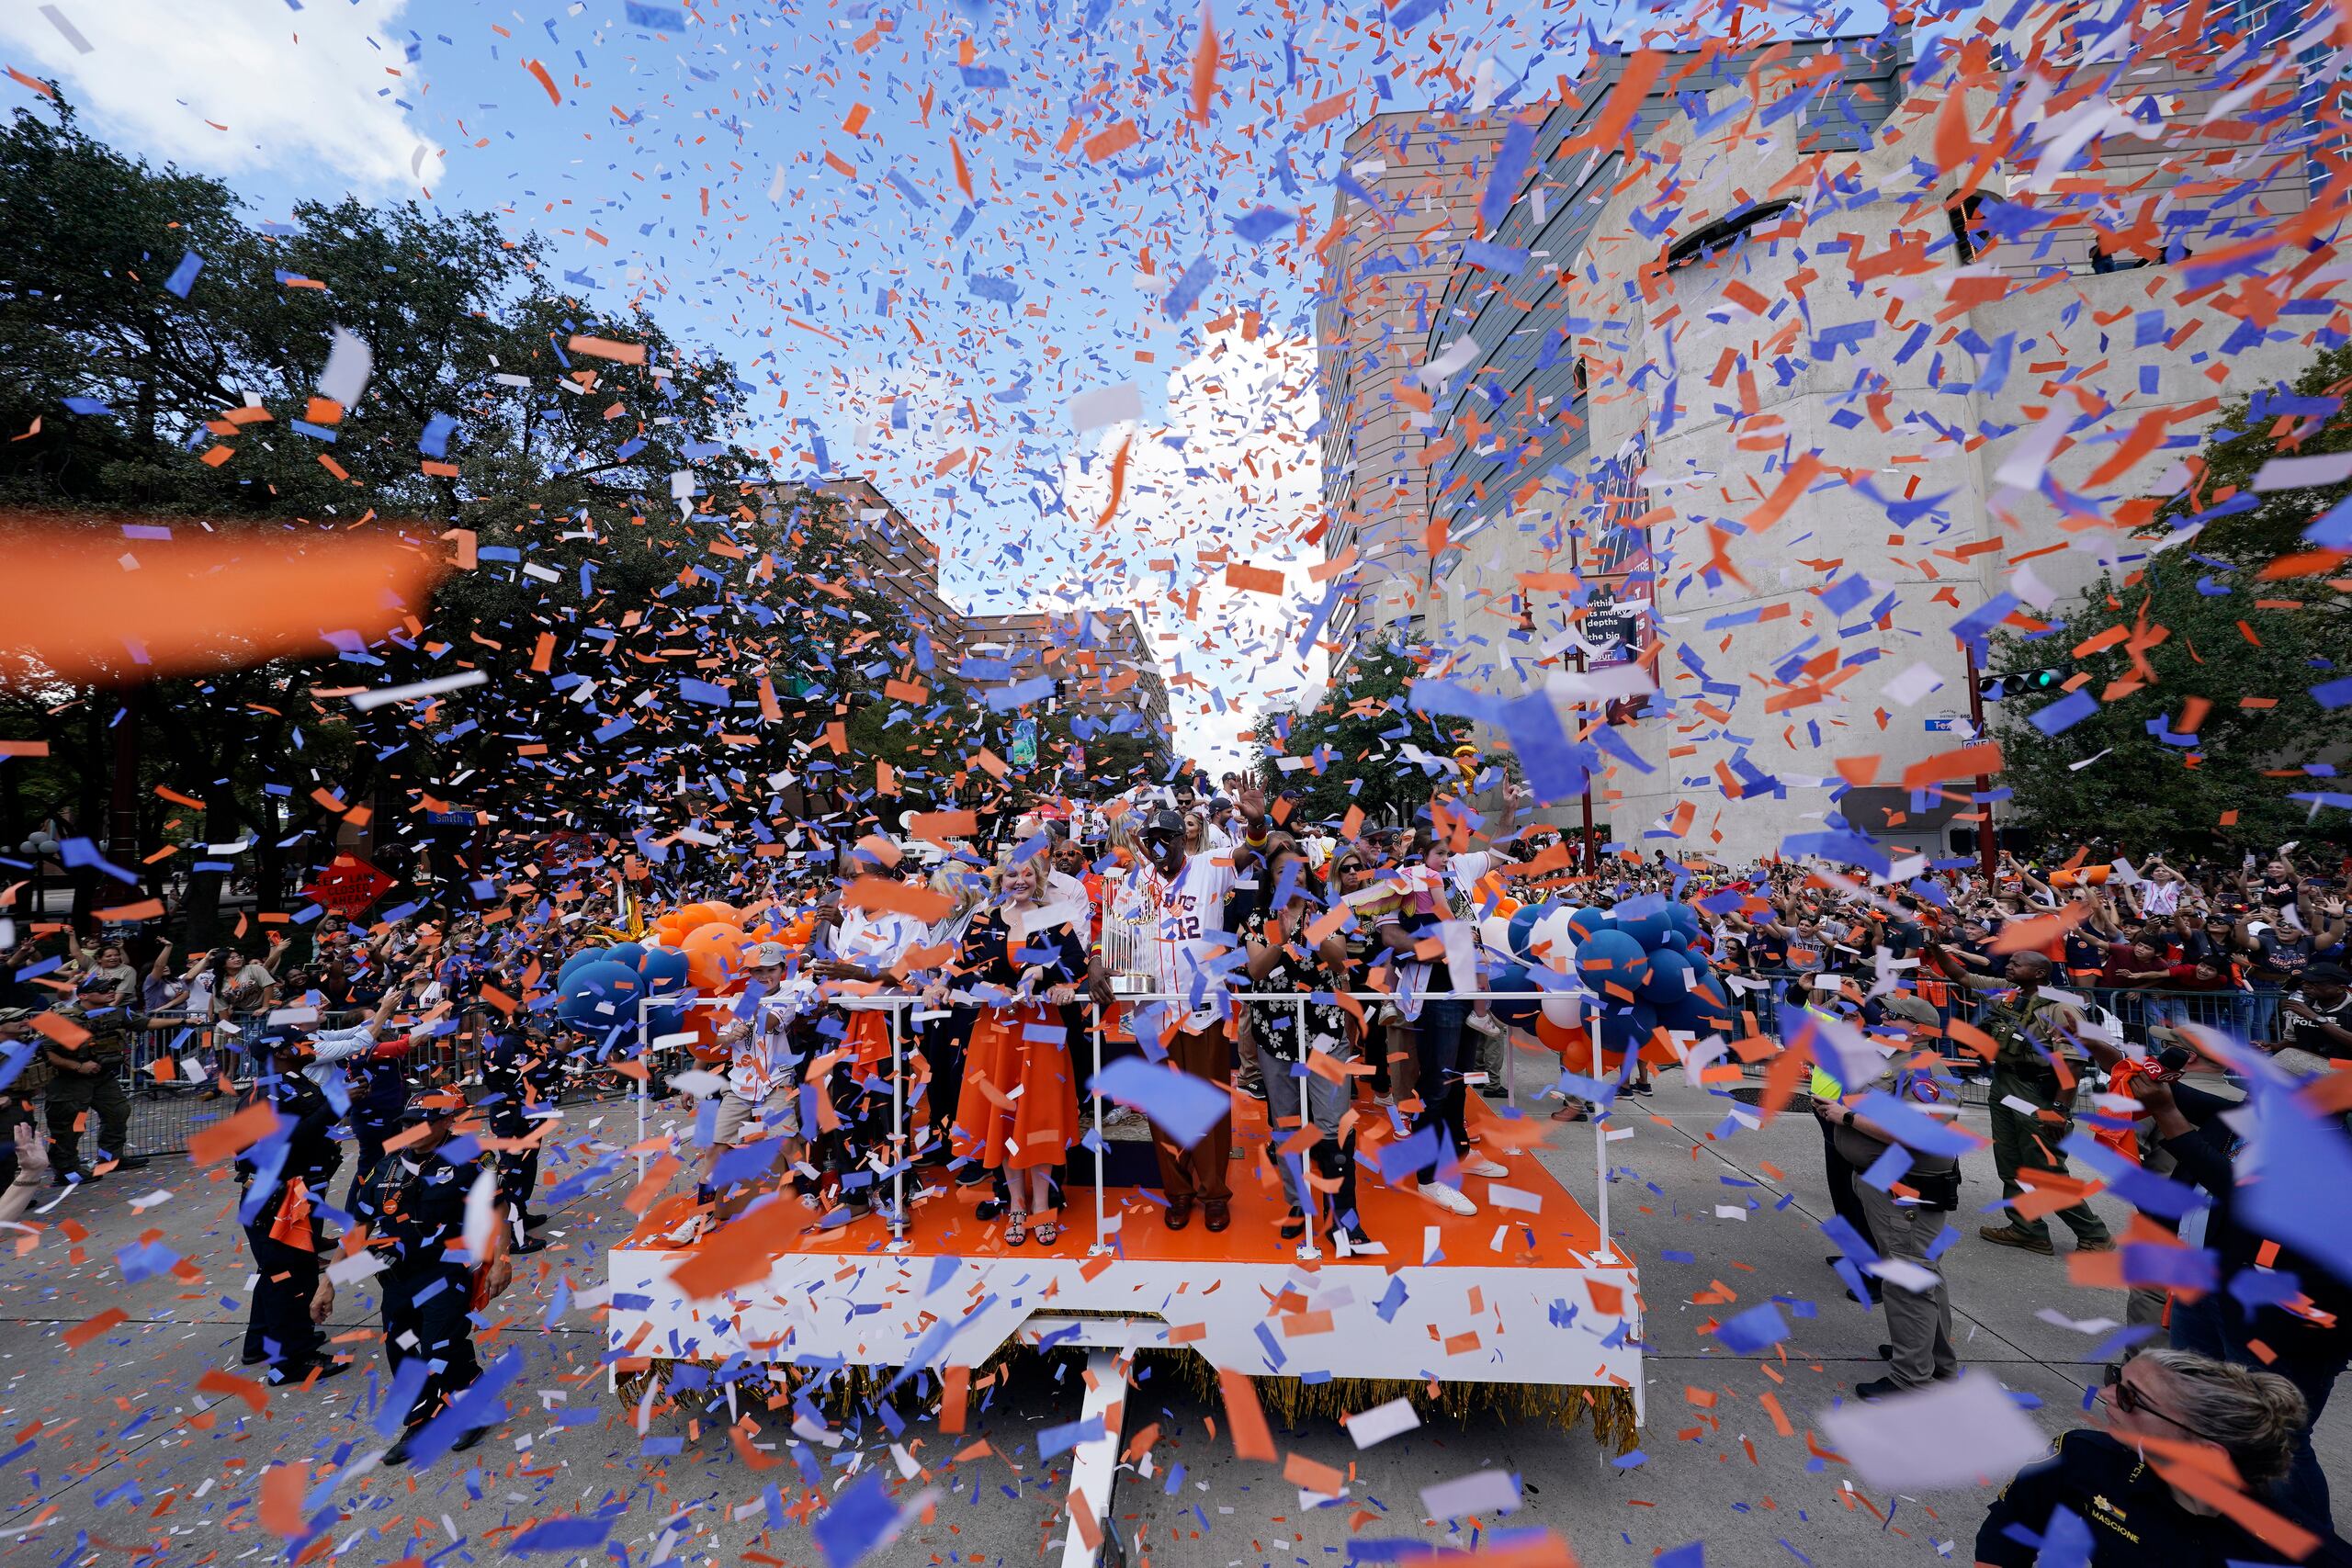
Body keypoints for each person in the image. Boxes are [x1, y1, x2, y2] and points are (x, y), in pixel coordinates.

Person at [2132, 1066, 2351, 1529]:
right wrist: (2116, 1055)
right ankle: (2219, 1513)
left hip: (2285, 1321)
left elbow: (2238, 1187)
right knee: (2201, 1406)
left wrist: (2168, 1115)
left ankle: (2310, 1545)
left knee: (2276, 1434)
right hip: (2214, 1287)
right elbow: (2198, 1100)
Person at [1976, 1349, 2351, 1565]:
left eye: (2131, 1398)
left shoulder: (2294, 1553)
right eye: (2116, 1378)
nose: (2106, 1395)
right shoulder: (2082, 1459)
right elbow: (2009, 1527)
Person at [1093, 792, 1266, 1234]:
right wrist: (1097, 963)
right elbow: (1110, 934)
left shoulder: (1210, 867)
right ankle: (1179, 1193)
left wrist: (1258, 822)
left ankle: (1213, 1193)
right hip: (1153, 1010)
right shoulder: (1135, 881)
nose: (1157, 846)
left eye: (1166, 838)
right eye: (1150, 839)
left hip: (1201, 1006)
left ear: (1180, 839)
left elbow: (1252, 851)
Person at [1930, 943, 2114, 1256]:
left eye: (2017, 963)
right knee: (2010, 1160)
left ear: (2041, 972)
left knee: (2044, 1168)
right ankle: (2027, 1229)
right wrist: (1935, 948)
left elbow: (2073, 1061)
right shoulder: (2008, 990)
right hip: (2005, 1082)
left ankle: (2093, 1234)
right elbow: (1961, 977)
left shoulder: (2061, 1006)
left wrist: (2059, 1108)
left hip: (2036, 1090)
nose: (2009, 967)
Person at [356, 1095, 511, 1464]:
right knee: (402, 1348)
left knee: (440, 1344)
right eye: (406, 1123)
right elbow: (361, 1220)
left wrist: (502, 1259)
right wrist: (330, 1281)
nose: (409, 1130)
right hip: (395, 1276)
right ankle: (421, 1417)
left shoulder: (470, 1156)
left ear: (446, 1122)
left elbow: (499, 1207)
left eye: (419, 1123)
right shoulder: (389, 1162)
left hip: (446, 1269)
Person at [1238, 844, 1372, 1256]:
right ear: (1271, 881)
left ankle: (1341, 1216)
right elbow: (1257, 969)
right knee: (1289, 1125)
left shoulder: (1327, 913)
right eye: (1281, 871)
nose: (1291, 877)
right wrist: (1282, 932)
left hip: (1325, 1035)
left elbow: (1336, 960)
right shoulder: (1256, 919)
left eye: (1297, 870)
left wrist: (1308, 929)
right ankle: (1298, 1204)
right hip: (1275, 1037)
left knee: (1333, 1124)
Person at [945, 856, 1086, 1246]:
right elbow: (963, 969)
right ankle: (1017, 1205)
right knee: (1003, 1117)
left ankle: (1042, 1207)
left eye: (1028, 874)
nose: (1020, 880)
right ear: (1000, 880)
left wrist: (1042, 972)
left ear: (1038, 879)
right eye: (1012, 874)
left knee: (1037, 1114)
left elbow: (1077, 961)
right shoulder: (985, 918)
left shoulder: (1049, 914)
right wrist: (992, 992)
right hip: (997, 1033)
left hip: (1041, 1028)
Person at [1815, 1044, 1962, 1397]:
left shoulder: (1925, 1070)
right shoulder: (1892, 1060)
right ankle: (1931, 1361)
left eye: (1893, 1013)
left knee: (1907, 1279)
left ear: (1916, 1027)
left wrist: (1845, 1117)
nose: (1881, 1017)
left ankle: (1911, 1379)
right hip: (1887, 1182)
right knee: (1921, 1273)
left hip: (1906, 1189)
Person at [1376, 840, 1509, 1218]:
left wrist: (1511, 808)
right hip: (1437, 990)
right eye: (1440, 852)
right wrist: (1448, 949)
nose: (1448, 859)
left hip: (1469, 986)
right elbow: (1391, 938)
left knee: (1459, 1080)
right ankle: (1427, 1175)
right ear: (1419, 855)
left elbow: (1500, 850)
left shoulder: (1457, 876)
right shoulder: (1400, 883)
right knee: (1437, 1084)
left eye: (1450, 852)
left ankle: (1457, 1155)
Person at [233, 1027, 350, 1384]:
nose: (311, 1046)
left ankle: (262, 1343)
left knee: (278, 1271)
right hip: (275, 1198)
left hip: (291, 1193)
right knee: (290, 1274)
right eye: (304, 1043)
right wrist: (333, 1107)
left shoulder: (292, 1079)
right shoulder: (266, 1092)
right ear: (282, 1052)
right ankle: (291, 1361)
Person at [701, 941, 814, 1219]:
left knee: (787, 1143)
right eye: (756, 971)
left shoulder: (791, 993)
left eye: (770, 970)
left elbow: (770, 1024)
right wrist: (726, 1038)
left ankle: (807, 1194)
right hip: (739, 1085)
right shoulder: (737, 1000)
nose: (764, 976)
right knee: (715, 1148)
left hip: (776, 1082)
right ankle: (700, 1213)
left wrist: (750, 1002)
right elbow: (712, 1040)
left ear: (782, 969)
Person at [38, 991, 143, 1185]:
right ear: (85, 995)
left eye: (112, 987)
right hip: (68, 1081)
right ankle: (65, 1171)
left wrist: (184, 1022)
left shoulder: (112, 1013)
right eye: (102, 990)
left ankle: (111, 1158)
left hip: (100, 1077)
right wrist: (78, 1066)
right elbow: (44, 1051)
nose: (110, 992)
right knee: (69, 1125)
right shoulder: (65, 1017)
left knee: (118, 1111)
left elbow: (145, 1023)